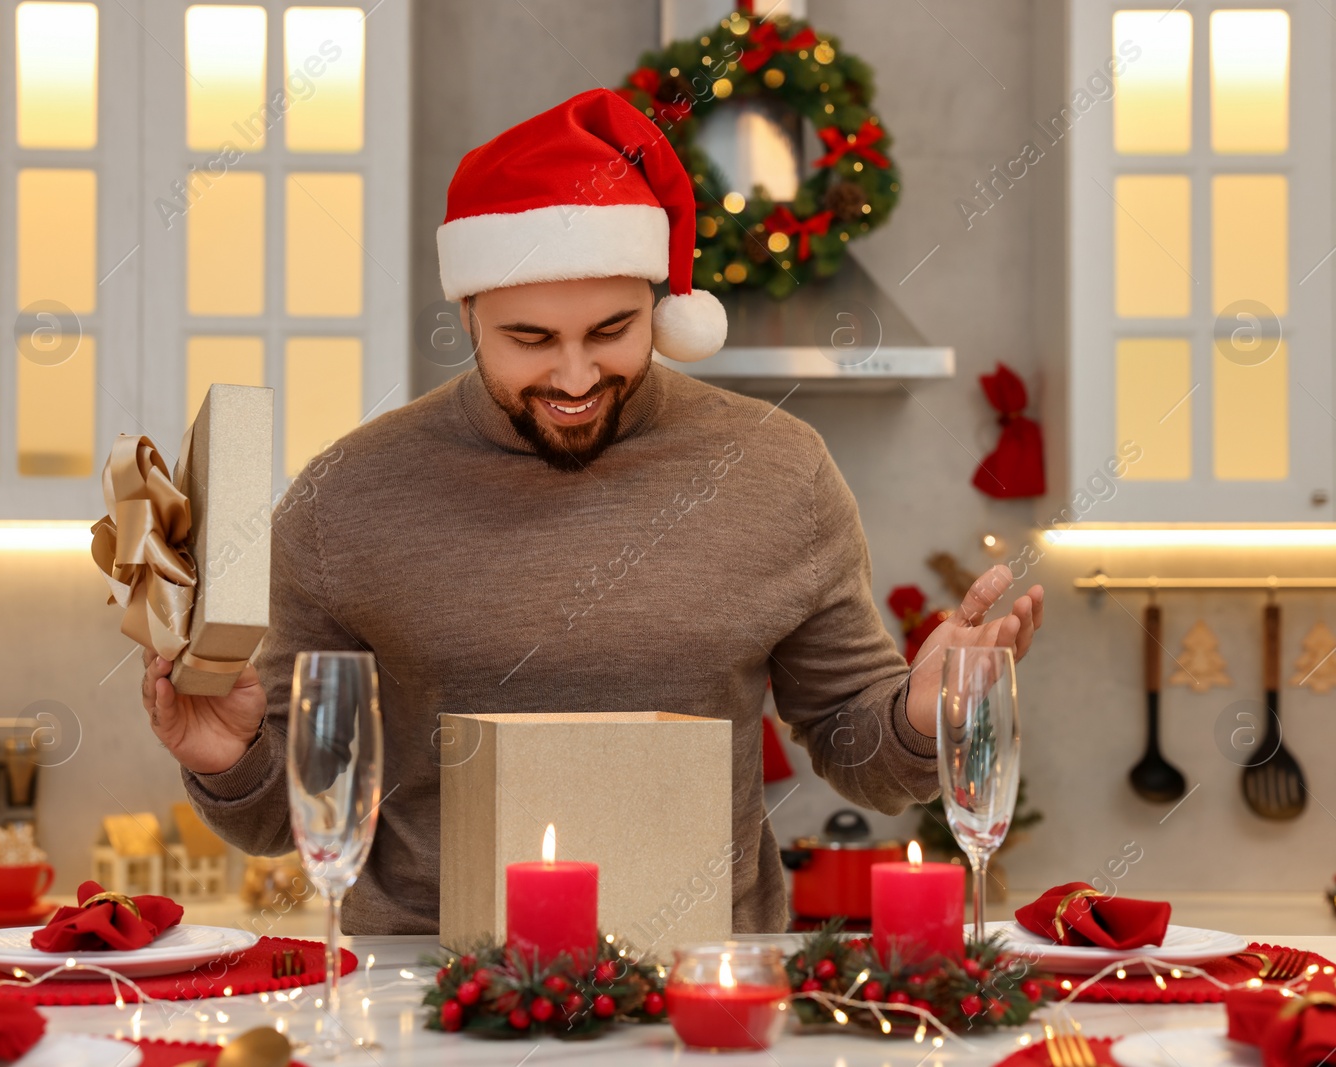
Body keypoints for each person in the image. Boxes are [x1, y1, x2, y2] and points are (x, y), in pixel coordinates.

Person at [141, 88, 1044, 936]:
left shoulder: (780, 470)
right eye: (531, 340)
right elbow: (283, 816)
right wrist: (229, 755)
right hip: (424, 991)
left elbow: (861, 747)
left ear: (661, 304)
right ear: (468, 313)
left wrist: (925, 717)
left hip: (709, 977)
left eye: (611, 331)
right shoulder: (346, 494)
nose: (575, 378)